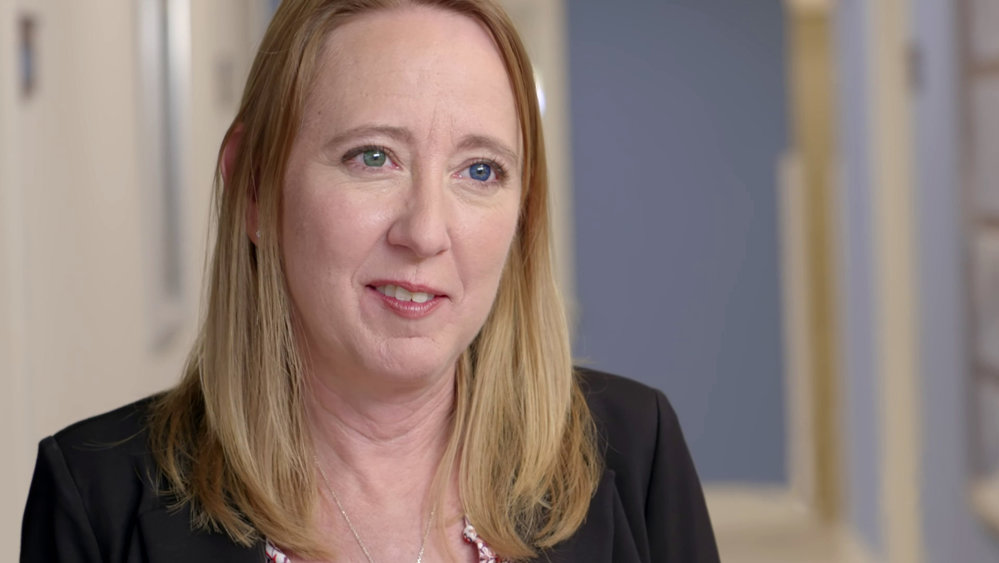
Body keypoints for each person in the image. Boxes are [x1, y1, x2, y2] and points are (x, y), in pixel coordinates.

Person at [20, 1, 719, 561]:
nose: (426, 231)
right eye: (373, 157)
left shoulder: (635, 453)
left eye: (480, 170)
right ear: (255, 188)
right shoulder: (96, 499)